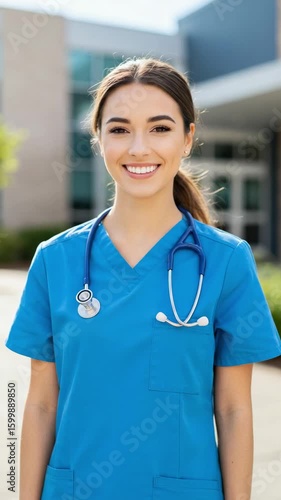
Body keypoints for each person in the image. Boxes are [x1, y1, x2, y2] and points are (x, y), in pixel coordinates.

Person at [4, 57, 281, 500]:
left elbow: (232, 410)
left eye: (159, 128)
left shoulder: (227, 262)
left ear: (187, 138)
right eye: (118, 129)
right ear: (98, 140)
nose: (138, 148)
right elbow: (36, 404)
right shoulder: (55, 260)